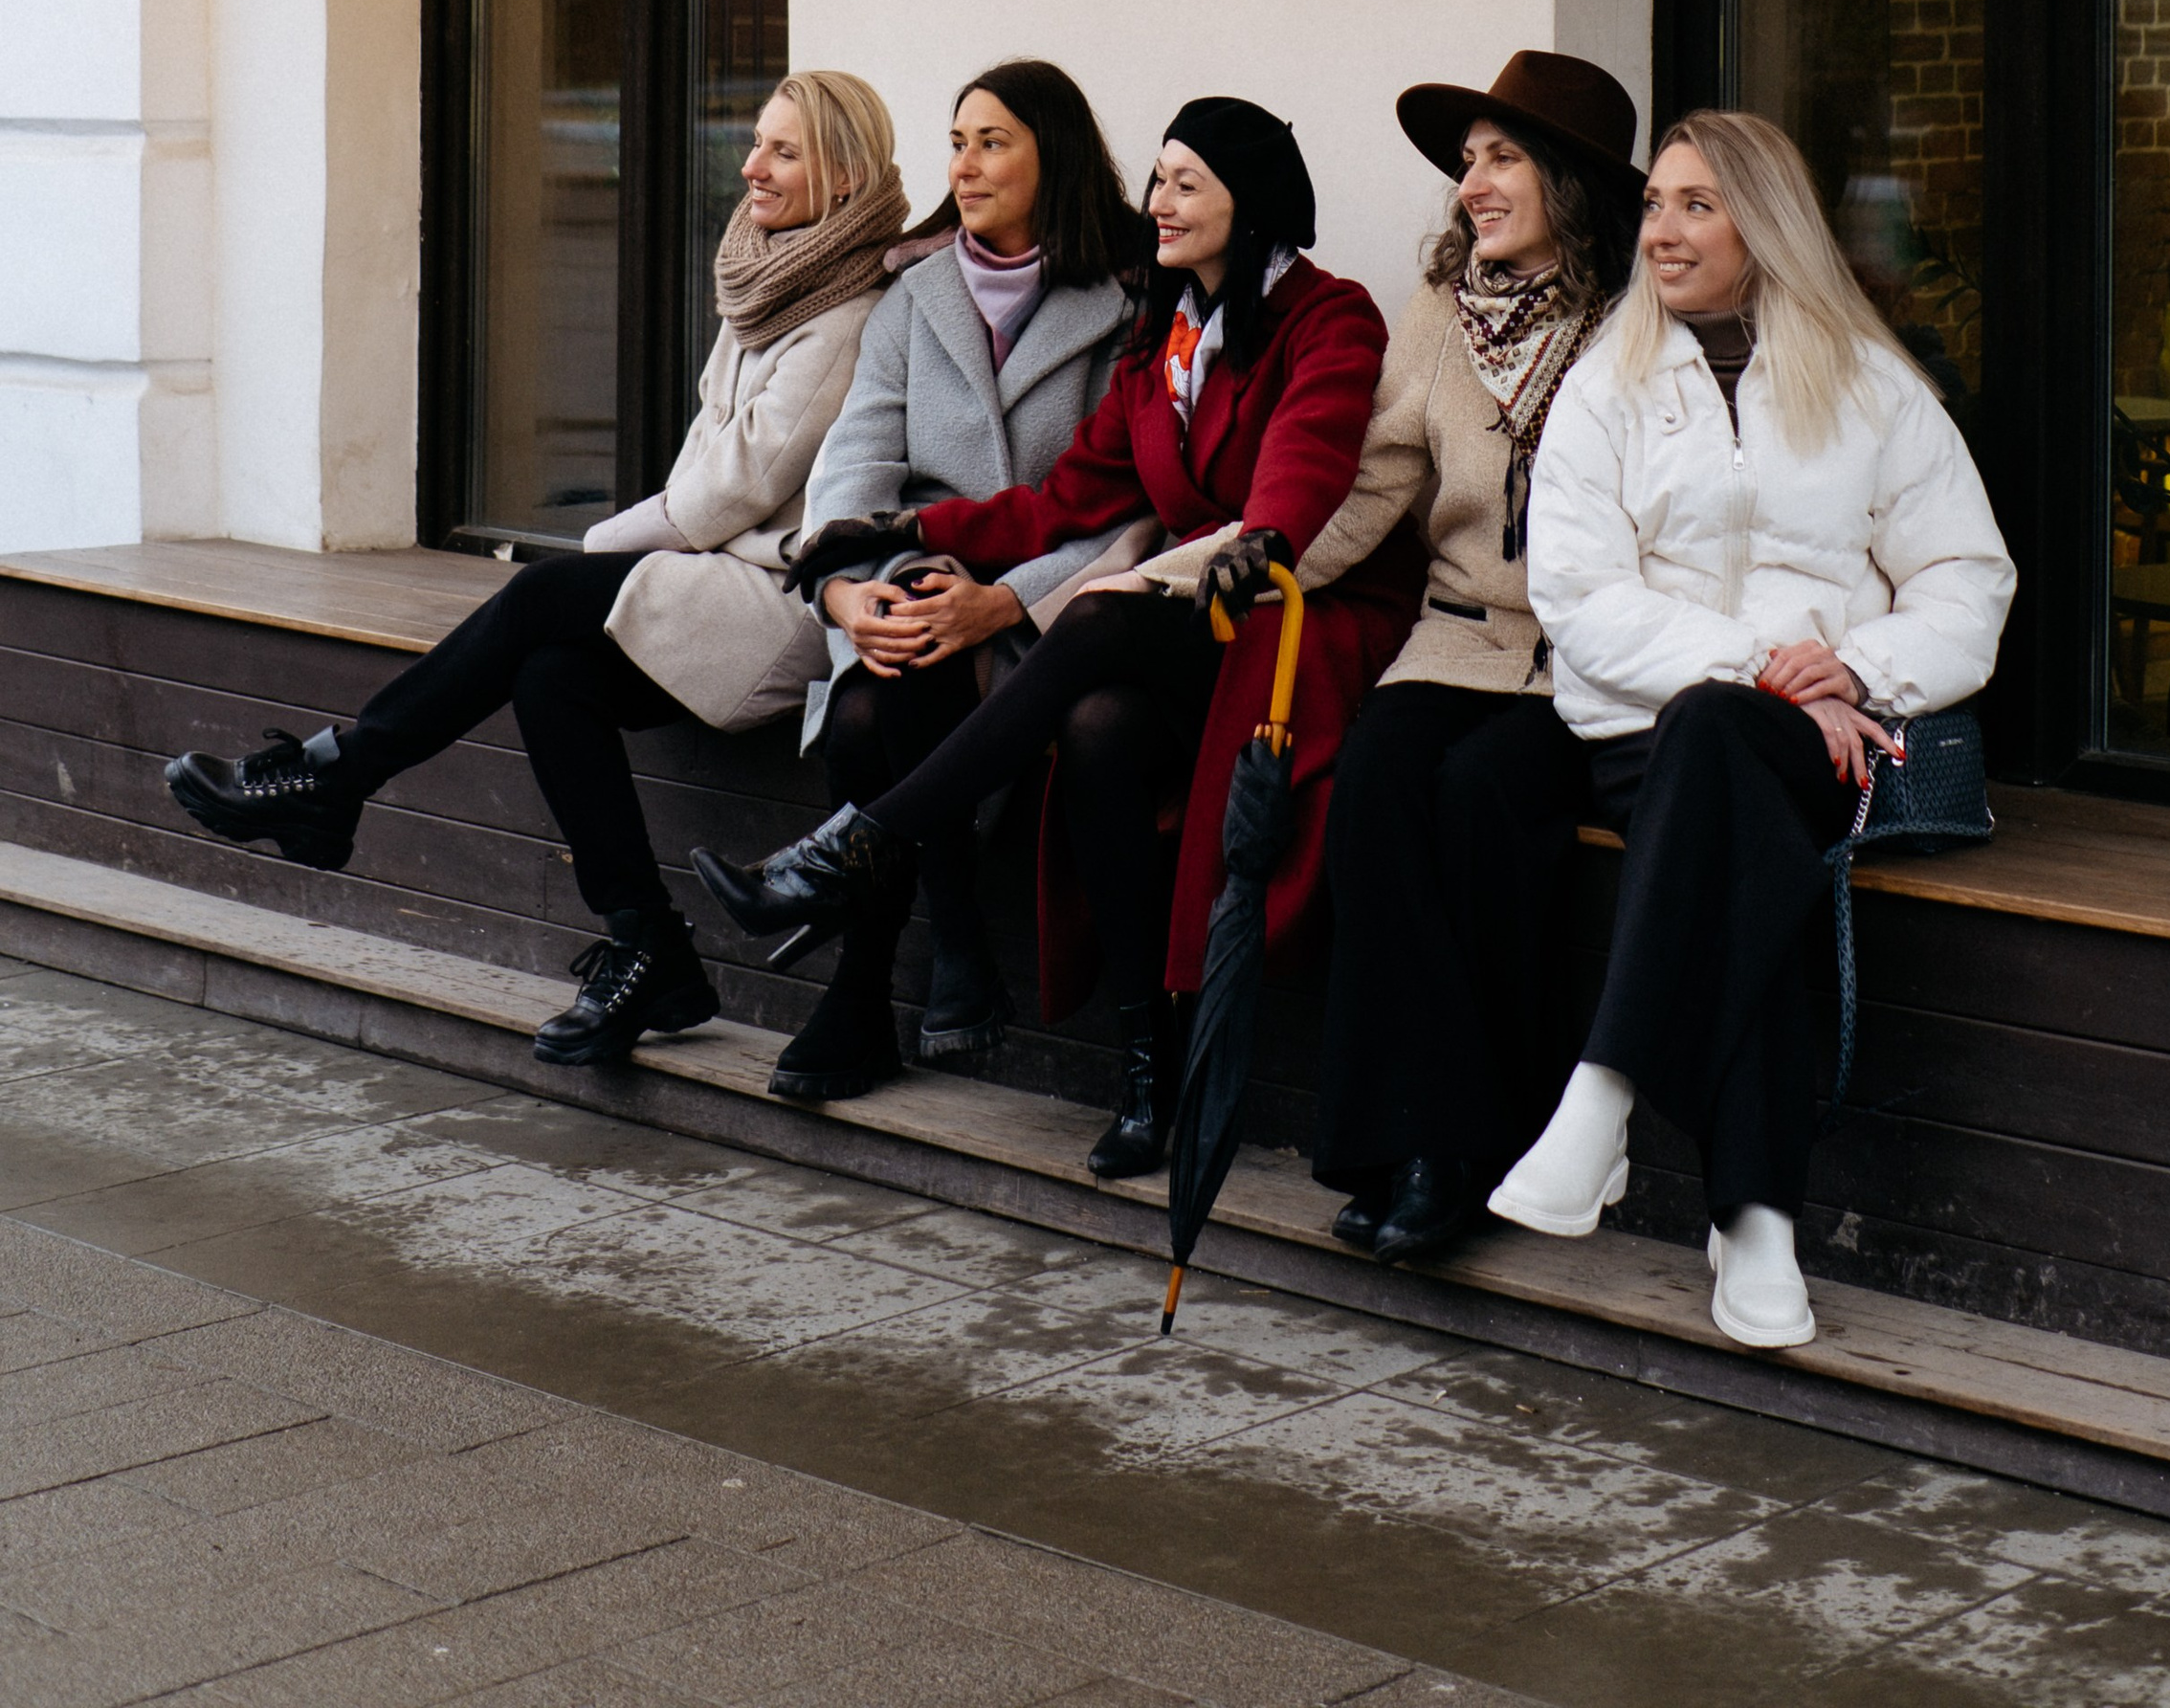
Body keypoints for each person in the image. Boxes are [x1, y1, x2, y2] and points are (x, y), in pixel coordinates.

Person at [695, 98, 1418, 1180]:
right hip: (1184, 622)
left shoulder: (1330, 317)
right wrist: (899, 529)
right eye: (1157, 179)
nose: (1157, 203)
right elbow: (1065, 499)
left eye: (1186, 184)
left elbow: (1300, 476)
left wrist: (1249, 542)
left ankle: (862, 841)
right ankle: (1146, 1071)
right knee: (1094, 728)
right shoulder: (1161, 334)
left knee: (1091, 617)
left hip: (1286, 613)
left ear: (1251, 202)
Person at [163, 73, 906, 1067]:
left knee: (545, 595)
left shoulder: (846, 315)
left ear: (846, 175)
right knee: (548, 677)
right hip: (705, 587)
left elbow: (729, 492)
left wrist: (594, 554)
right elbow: (703, 469)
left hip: (781, 600)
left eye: (782, 151)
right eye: (756, 144)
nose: (750, 167)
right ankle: (652, 949)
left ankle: (337, 774)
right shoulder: (775, 285)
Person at [1487, 111, 2015, 1352]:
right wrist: (1759, 674)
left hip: (1829, 741)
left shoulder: (1870, 385)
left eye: (1695, 206)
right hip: (1654, 732)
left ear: (1764, 225)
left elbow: (1967, 581)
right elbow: (1580, 598)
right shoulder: (1604, 389)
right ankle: (1758, 1218)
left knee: (1740, 772)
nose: (1660, 231)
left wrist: (1861, 666)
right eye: (1657, 205)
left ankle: (1606, 1095)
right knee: (1748, 829)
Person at [1301, 52, 1642, 1271]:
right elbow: (1374, 488)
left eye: (1500, 160)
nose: (1470, 188)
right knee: (1378, 783)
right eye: (1467, 164)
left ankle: (1456, 1150)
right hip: (1454, 640)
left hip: (1589, 663)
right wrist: (1251, 564)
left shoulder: (1637, 320)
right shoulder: (1440, 319)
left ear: (1567, 181)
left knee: (1482, 798)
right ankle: (1410, 1138)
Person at [772, 58, 1145, 1105]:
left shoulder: (1125, 299)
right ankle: (947, 955)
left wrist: (1005, 601)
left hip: (1043, 607)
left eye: (994, 142)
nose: (967, 165)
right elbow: (853, 467)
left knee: (862, 725)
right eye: (957, 142)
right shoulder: (915, 293)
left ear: (1052, 155)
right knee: (870, 694)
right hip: (914, 581)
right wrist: (854, 594)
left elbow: (1130, 511)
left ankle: (876, 993)